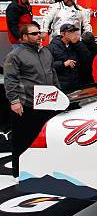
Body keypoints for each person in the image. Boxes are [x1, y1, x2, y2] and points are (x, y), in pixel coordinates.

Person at [3, 23, 58, 177]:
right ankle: (18, 173)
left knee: (43, 141)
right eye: (34, 34)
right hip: (26, 104)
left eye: (39, 33)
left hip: (47, 104)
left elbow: (53, 74)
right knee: (22, 141)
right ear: (24, 37)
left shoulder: (46, 52)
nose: (38, 36)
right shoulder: (15, 55)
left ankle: (41, 171)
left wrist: (59, 94)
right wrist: (14, 101)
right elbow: (10, 79)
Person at [48, 23, 91, 91]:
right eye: (70, 32)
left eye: (74, 31)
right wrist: (63, 64)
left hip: (76, 84)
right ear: (62, 34)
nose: (73, 34)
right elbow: (47, 66)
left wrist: (78, 43)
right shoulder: (52, 47)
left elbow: (88, 59)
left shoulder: (77, 45)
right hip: (60, 86)